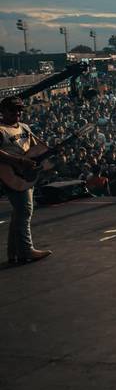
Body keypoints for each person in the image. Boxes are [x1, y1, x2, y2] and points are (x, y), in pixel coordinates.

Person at [0, 97, 52, 265]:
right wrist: (19, 161)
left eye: (19, 110)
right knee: (25, 210)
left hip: (26, 174)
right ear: (3, 111)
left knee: (19, 214)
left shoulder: (25, 127)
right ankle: (26, 249)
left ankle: (14, 252)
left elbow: (35, 148)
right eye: (13, 110)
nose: (17, 113)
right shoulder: (1, 130)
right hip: (11, 174)